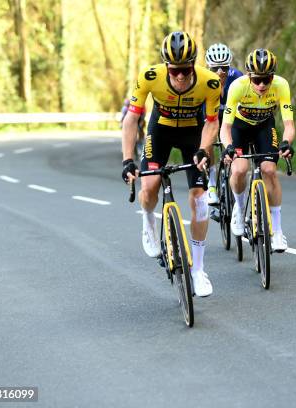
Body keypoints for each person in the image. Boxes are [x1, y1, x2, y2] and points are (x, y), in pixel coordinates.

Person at [121, 31, 221, 297]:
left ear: (193, 65)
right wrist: (127, 159)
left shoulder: (209, 82)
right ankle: (148, 222)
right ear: (166, 66)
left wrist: (204, 149)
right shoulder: (149, 77)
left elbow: (212, 122)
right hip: (160, 132)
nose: (179, 76)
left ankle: (198, 270)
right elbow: (131, 120)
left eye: (185, 70)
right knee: (150, 185)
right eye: (174, 71)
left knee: (200, 201)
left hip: (193, 135)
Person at [219, 48, 295, 253]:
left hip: (264, 127)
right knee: (239, 169)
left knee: (269, 170)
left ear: (273, 77)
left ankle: (277, 231)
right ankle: (240, 205)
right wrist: (228, 147)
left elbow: (288, 124)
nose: (262, 85)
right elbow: (225, 127)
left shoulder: (281, 85)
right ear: (248, 76)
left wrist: (286, 143)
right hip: (239, 129)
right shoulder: (237, 86)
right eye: (257, 80)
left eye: (266, 79)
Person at [203, 43, 243, 206]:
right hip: (211, 115)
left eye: (224, 68)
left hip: (231, 116)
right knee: (209, 138)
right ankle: (212, 184)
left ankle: (236, 181)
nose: (220, 72)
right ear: (209, 68)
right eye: (215, 69)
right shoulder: (203, 80)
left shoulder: (237, 77)